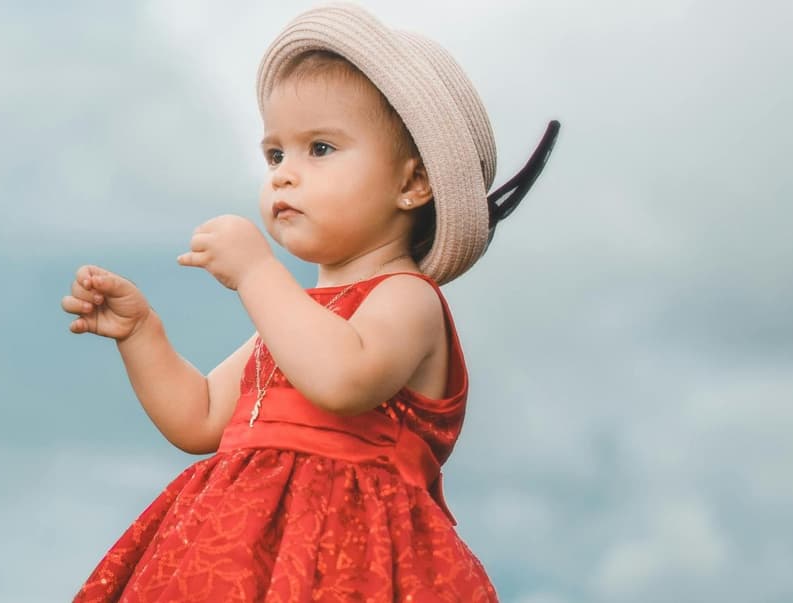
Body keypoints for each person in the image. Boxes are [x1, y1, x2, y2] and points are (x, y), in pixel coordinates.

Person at [63, 3, 558, 601]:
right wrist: (141, 332)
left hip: (350, 561)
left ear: (412, 183)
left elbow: (343, 379)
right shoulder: (295, 317)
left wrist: (256, 272)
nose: (283, 175)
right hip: (236, 555)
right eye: (275, 154)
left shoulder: (408, 298)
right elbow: (200, 417)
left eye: (319, 148)